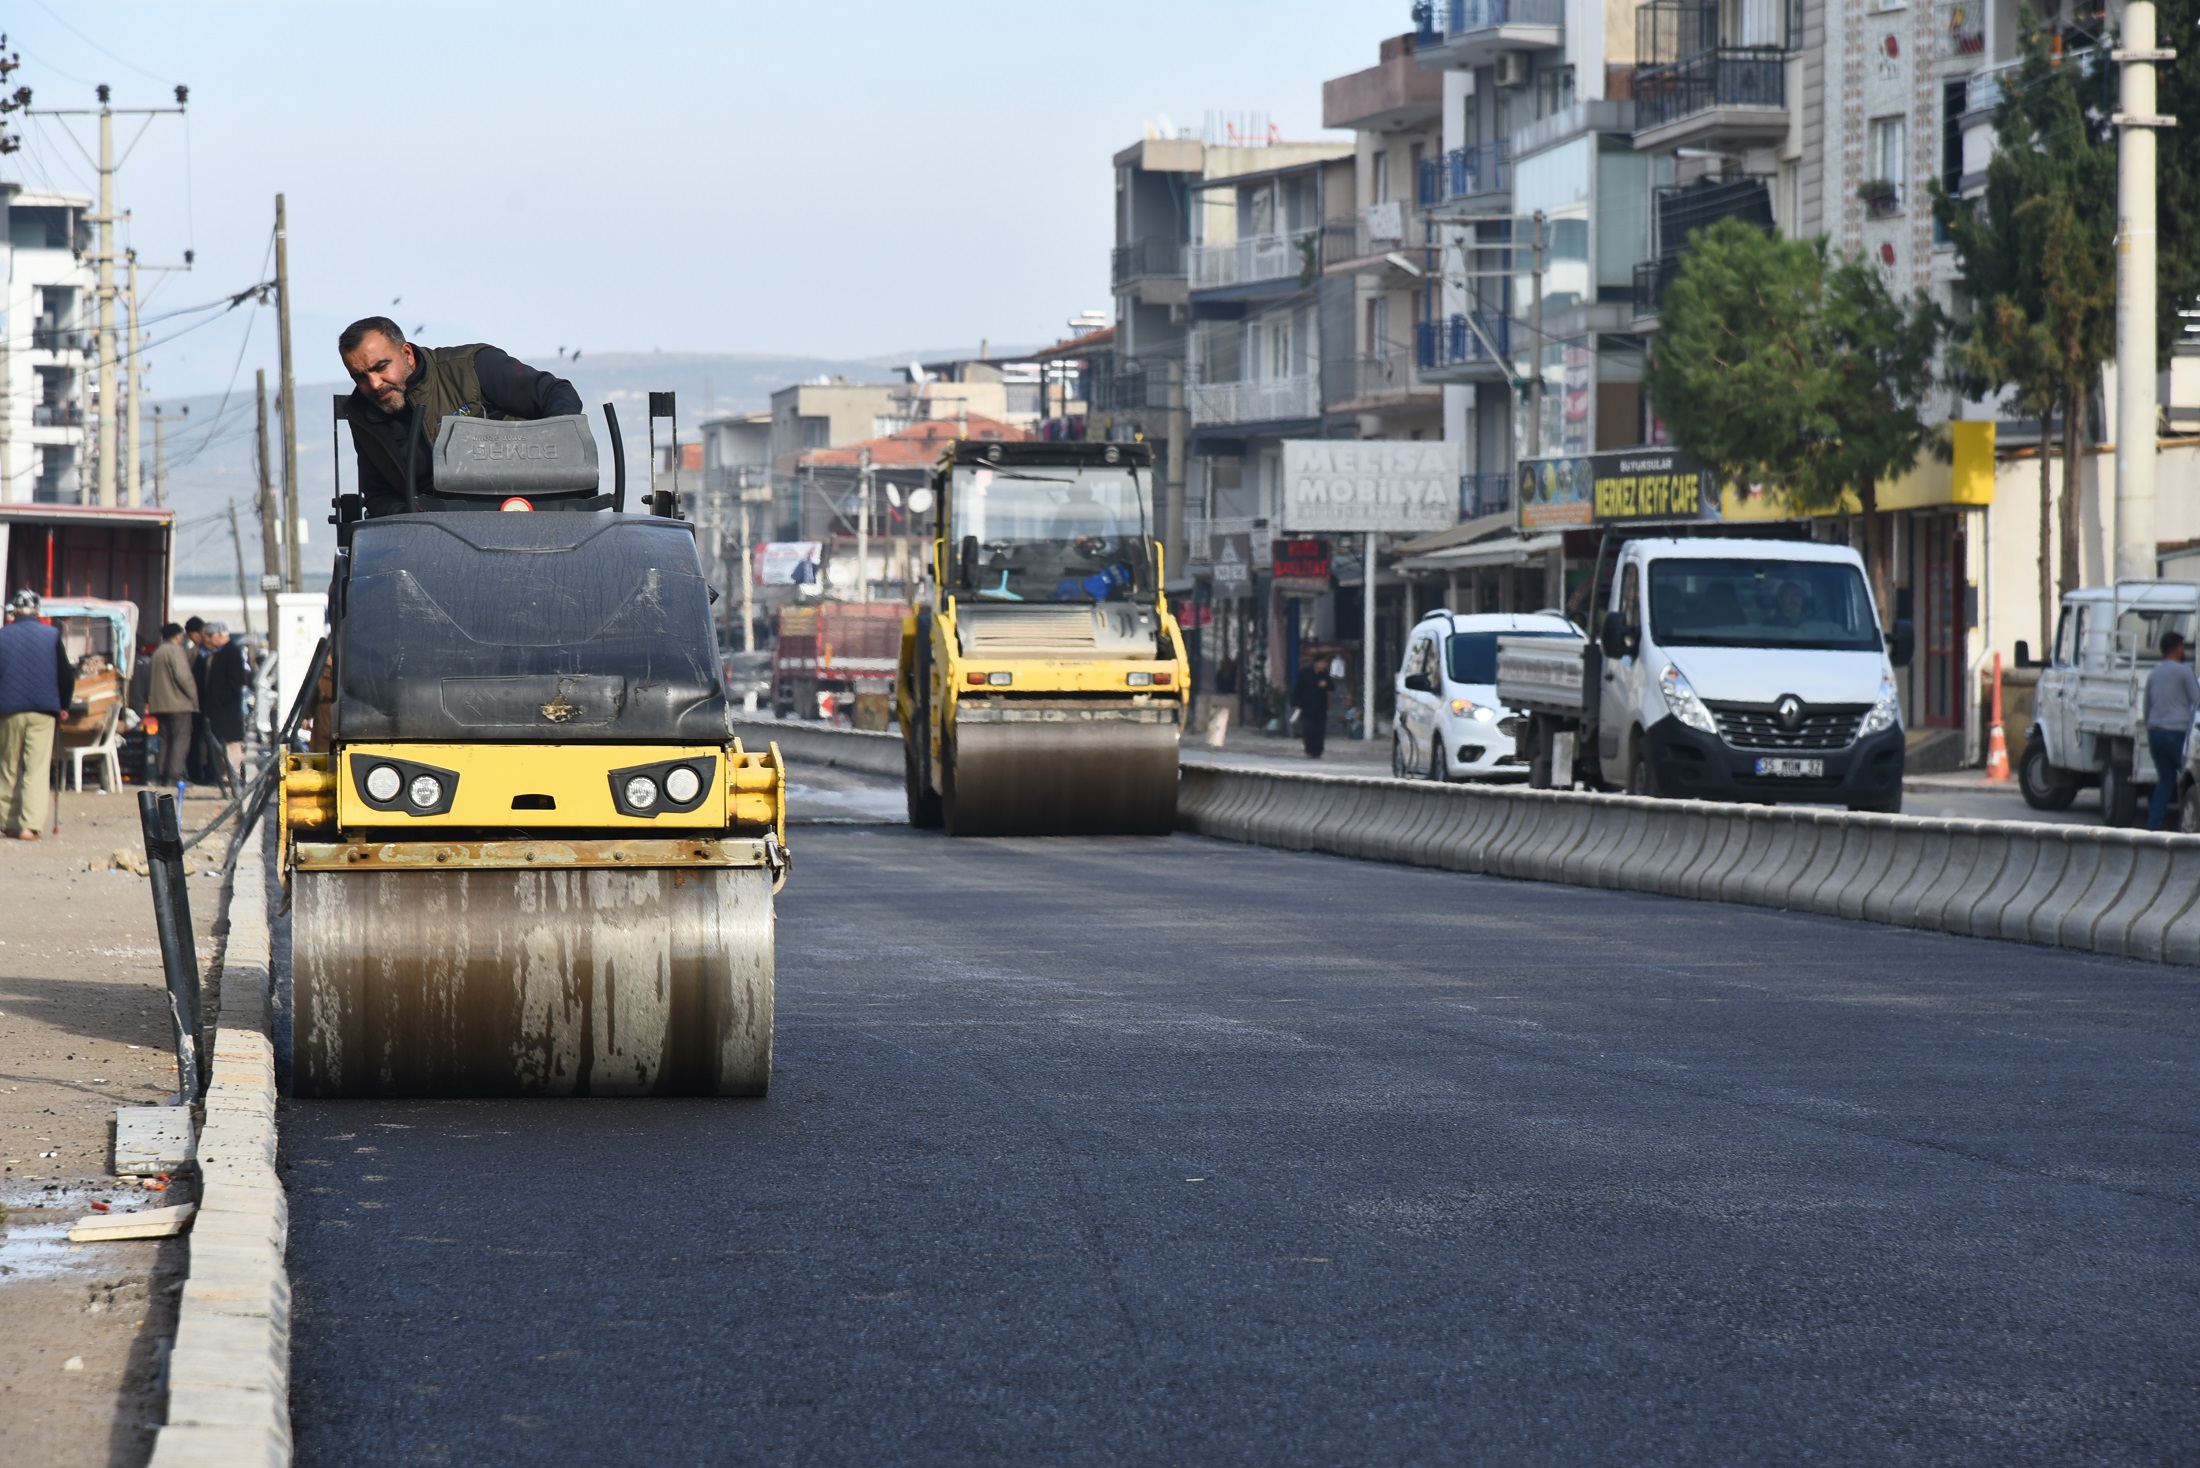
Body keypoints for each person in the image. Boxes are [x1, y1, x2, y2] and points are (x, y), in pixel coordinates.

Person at [338, 316, 584, 517]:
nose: (374, 383)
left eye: (381, 367)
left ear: (407, 354)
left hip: (524, 510)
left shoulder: (473, 367)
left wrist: (552, 448)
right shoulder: (362, 414)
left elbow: (556, 392)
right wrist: (412, 515)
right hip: (436, 534)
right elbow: (378, 494)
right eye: (359, 377)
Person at [0, 590, 75, 839]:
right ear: (38, 611)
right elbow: (66, 675)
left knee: (8, 766)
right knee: (36, 768)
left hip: (8, 710)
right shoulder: (52, 634)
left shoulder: (3, 636)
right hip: (44, 709)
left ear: (14, 612)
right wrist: (63, 704)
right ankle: (29, 827)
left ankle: (7, 823)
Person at [2144, 630, 2200, 830]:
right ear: (2177, 649)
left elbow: (2146, 706)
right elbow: (2197, 700)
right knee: (2190, 776)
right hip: (2176, 734)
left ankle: (2153, 826)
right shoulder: (2184, 672)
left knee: (2166, 780)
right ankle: (2189, 822)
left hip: (2155, 733)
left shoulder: (2154, 673)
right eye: (2183, 647)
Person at [147, 622, 200, 791]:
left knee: (164, 740)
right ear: (178, 636)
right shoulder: (175, 651)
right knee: (180, 740)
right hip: (178, 704)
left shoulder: (157, 652)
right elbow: (184, 677)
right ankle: (173, 775)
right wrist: (194, 698)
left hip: (159, 705)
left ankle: (162, 774)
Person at [202, 624, 252, 791]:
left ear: (221, 635)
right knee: (220, 748)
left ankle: (233, 779)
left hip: (228, 711)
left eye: (211, 635)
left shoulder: (232, 652)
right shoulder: (219, 653)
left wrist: (220, 699)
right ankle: (226, 779)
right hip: (218, 711)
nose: (209, 639)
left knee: (231, 748)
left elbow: (236, 682)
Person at [1293, 655, 1333, 759]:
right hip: (1307, 706)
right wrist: (1295, 702)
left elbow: (1332, 686)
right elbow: (1298, 688)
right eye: (1323, 662)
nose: (1325, 665)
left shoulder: (1324, 675)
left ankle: (1318, 751)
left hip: (1320, 706)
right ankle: (1309, 749)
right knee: (1308, 729)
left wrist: (1326, 684)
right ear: (1316, 663)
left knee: (1319, 730)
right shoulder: (1305, 673)